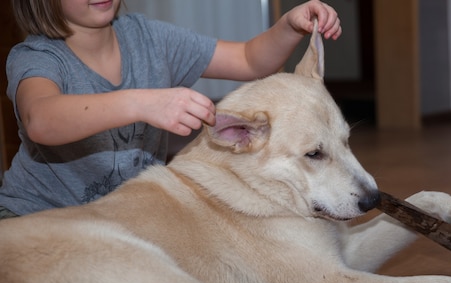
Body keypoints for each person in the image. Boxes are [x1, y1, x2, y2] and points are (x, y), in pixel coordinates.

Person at [0, 0, 341, 220]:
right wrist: (142, 102)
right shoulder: (36, 58)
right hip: (33, 219)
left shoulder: (148, 38)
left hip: (121, 221)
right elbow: (40, 120)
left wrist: (288, 27)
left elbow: (249, 59)